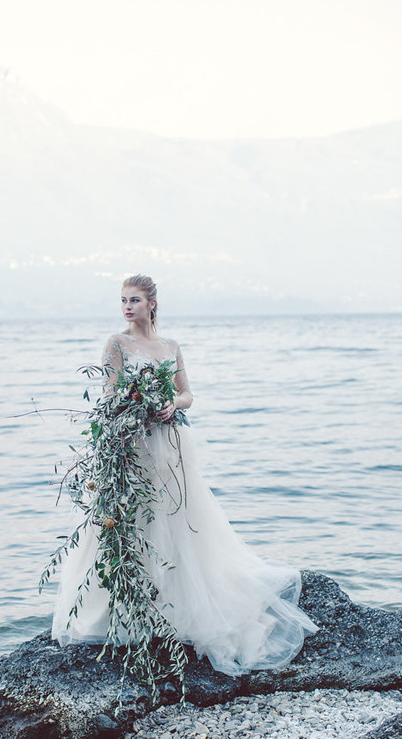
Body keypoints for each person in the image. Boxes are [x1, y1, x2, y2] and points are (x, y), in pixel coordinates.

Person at [52, 274, 318, 676]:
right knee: (134, 520)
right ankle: (124, 612)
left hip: (170, 444)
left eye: (135, 300)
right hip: (132, 444)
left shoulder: (170, 346)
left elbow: (188, 394)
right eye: (123, 300)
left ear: (152, 304)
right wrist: (131, 406)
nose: (127, 306)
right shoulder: (116, 344)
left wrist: (170, 404)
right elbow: (109, 394)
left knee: (175, 520)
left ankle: (180, 611)